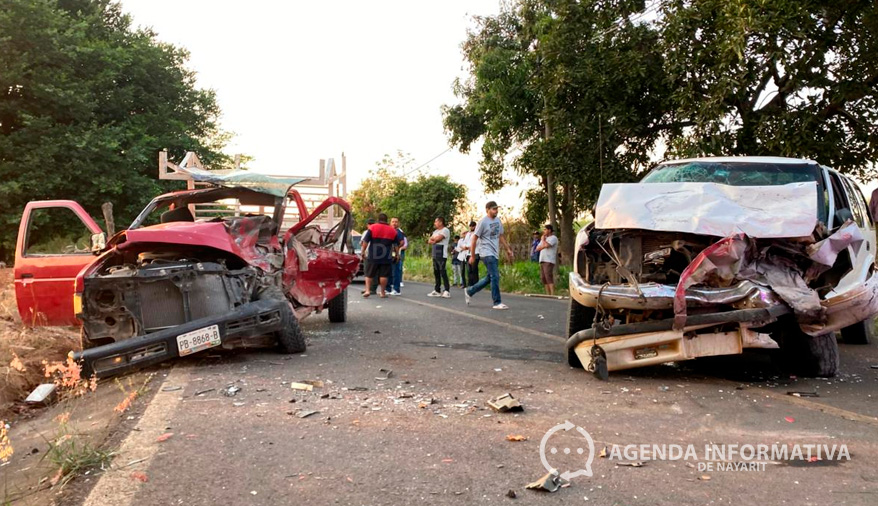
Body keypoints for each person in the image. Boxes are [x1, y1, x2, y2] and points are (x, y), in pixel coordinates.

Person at [464, 201, 514, 310]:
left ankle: (469, 291)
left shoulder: (498, 221)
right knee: (495, 276)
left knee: (489, 277)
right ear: (487, 210)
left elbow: (500, 236)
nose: (496, 211)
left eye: (496, 209)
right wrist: (472, 255)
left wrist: (508, 249)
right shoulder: (482, 222)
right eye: (493, 209)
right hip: (486, 253)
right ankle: (497, 302)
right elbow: (474, 239)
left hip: (495, 253)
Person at [360, 213, 401, 298]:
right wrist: (397, 254)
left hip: (373, 254)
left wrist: (363, 251)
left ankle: (367, 290)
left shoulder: (372, 227)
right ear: (387, 220)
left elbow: (365, 241)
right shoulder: (392, 230)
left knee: (369, 274)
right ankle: (382, 292)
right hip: (386, 255)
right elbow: (396, 245)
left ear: (378, 219)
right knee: (384, 275)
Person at [427, 217, 451, 298]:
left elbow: (437, 239)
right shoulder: (436, 231)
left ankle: (447, 290)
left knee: (442, 271)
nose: (434, 223)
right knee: (436, 272)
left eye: (436, 222)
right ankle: (437, 290)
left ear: (440, 222)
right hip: (435, 253)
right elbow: (429, 241)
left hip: (441, 253)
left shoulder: (445, 230)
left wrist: (434, 239)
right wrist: (433, 240)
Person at [535, 224, 559, 295]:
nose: (544, 231)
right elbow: (537, 248)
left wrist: (543, 240)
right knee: (543, 277)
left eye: (545, 229)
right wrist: (543, 244)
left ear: (549, 230)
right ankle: (547, 294)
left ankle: (552, 293)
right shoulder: (544, 238)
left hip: (549, 260)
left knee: (548, 276)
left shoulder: (553, 238)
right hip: (542, 259)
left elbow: (547, 245)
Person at [388, 217, 407, 295]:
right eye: (393, 222)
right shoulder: (389, 230)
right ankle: (388, 289)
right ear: (390, 222)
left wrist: (396, 248)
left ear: (398, 223)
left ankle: (396, 289)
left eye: (396, 222)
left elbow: (402, 242)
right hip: (388, 254)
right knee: (388, 272)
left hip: (396, 254)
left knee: (396, 271)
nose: (394, 223)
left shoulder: (399, 232)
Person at [464, 220, 479, 288]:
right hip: (468, 253)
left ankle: (476, 283)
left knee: (474, 269)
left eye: (473, 226)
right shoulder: (468, 234)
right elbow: (465, 242)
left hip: (475, 252)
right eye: (470, 226)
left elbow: (477, 242)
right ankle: (470, 283)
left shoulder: (477, 233)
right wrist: (466, 247)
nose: (471, 227)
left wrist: (470, 247)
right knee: (469, 269)